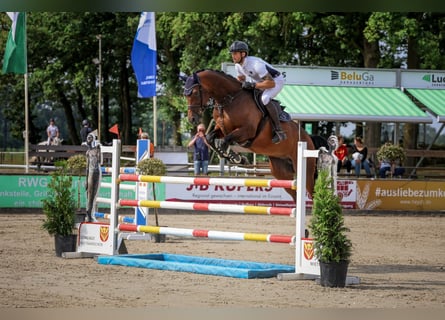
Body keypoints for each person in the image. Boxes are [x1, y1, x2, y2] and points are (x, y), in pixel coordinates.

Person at [229, 40, 286, 144]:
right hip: (260, 81)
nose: (233, 56)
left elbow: (270, 84)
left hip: (276, 81)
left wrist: (253, 85)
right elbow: (241, 79)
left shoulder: (256, 64)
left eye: (235, 54)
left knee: (264, 99)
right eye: (232, 54)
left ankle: (279, 131)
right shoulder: (237, 65)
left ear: (243, 54)